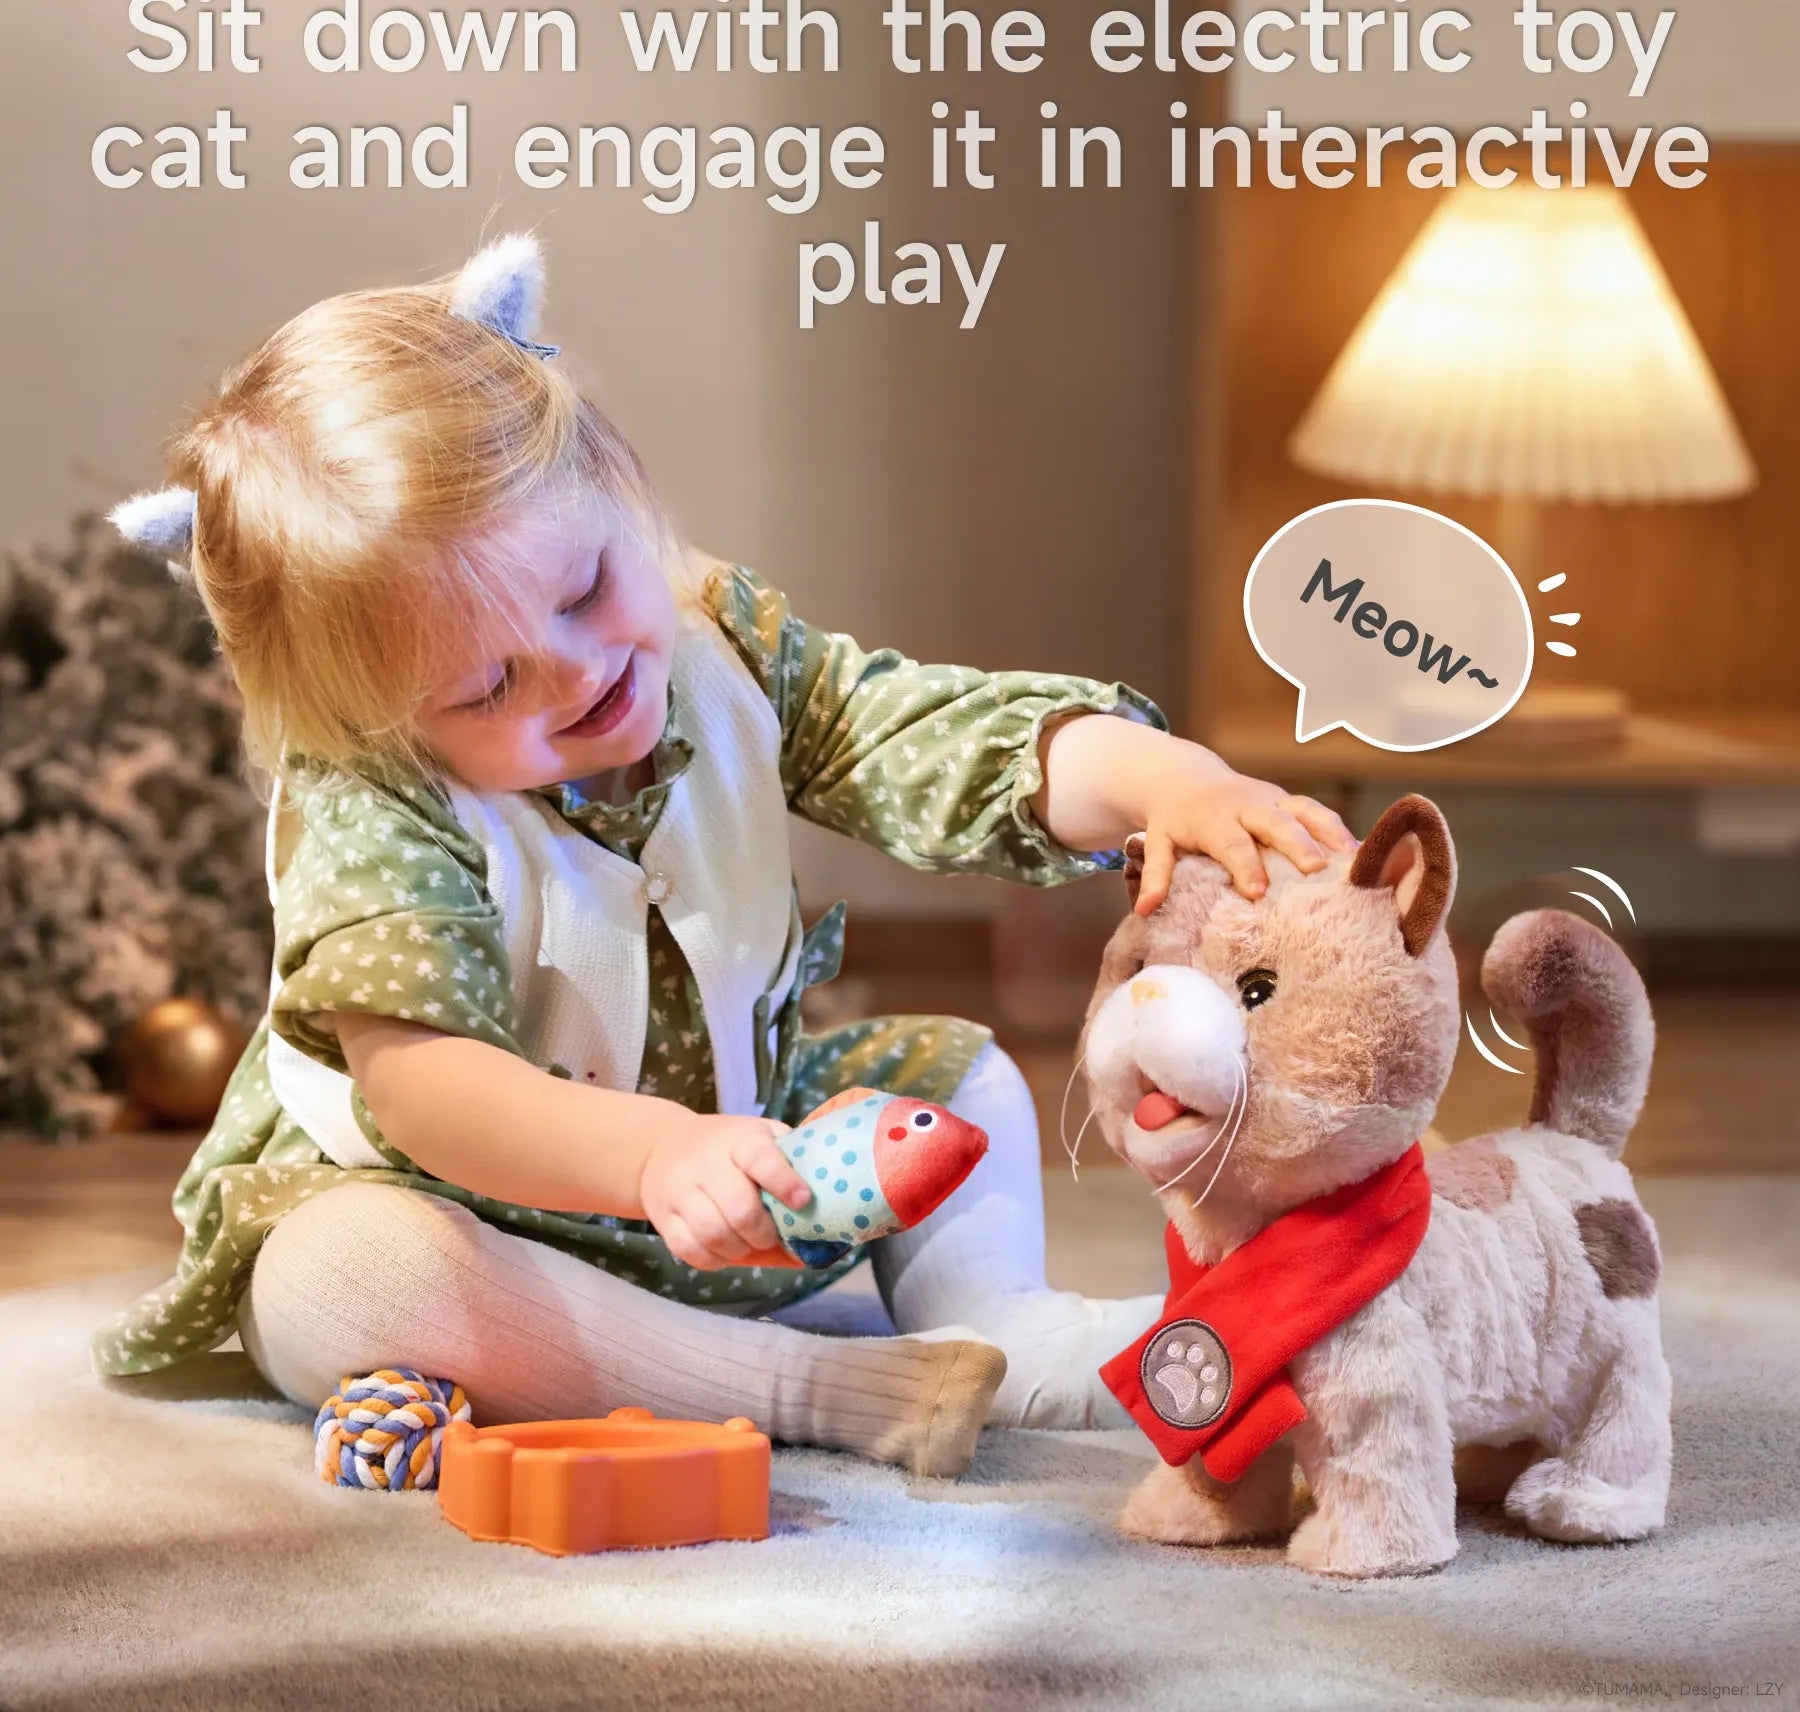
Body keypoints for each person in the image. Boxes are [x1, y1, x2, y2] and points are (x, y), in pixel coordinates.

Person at [95, 234, 1354, 1477]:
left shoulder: (723, 648)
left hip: (734, 1170)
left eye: (585, 589)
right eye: (486, 688)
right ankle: (814, 1388)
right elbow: (429, 1086)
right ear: (372, 720)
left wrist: (1163, 781)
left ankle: (996, 1329)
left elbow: (920, 732)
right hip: (468, 1211)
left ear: (620, 489)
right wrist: (648, 1155)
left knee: (963, 1077)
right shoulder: (374, 797)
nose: (576, 672)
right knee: (338, 1278)